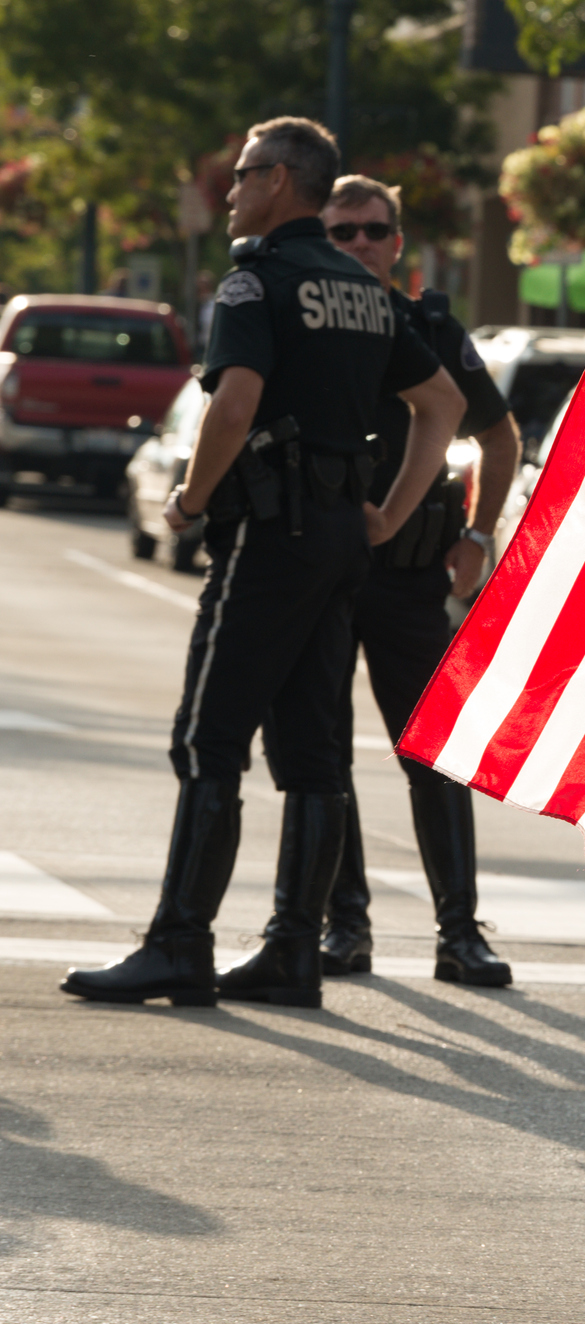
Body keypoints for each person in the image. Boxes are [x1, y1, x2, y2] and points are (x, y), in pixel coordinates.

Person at [60, 116, 464, 1010]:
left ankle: (179, 943)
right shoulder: (367, 292)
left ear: (281, 180)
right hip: (338, 542)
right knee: (313, 754)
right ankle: (293, 952)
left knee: (207, 739)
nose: (231, 189)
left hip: (269, 533)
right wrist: (389, 512)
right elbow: (443, 402)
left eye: (242, 174)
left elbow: (234, 405)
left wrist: (192, 501)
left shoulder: (256, 282)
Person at [312, 174, 520, 987]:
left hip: (405, 580)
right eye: (342, 232)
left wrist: (476, 533)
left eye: (373, 230)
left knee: (432, 754)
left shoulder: (429, 325)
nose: (360, 244)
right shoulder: (306, 326)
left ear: (399, 242)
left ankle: (459, 933)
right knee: (323, 754)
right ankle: (344, 926)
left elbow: (497, 439)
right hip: (323, 574)